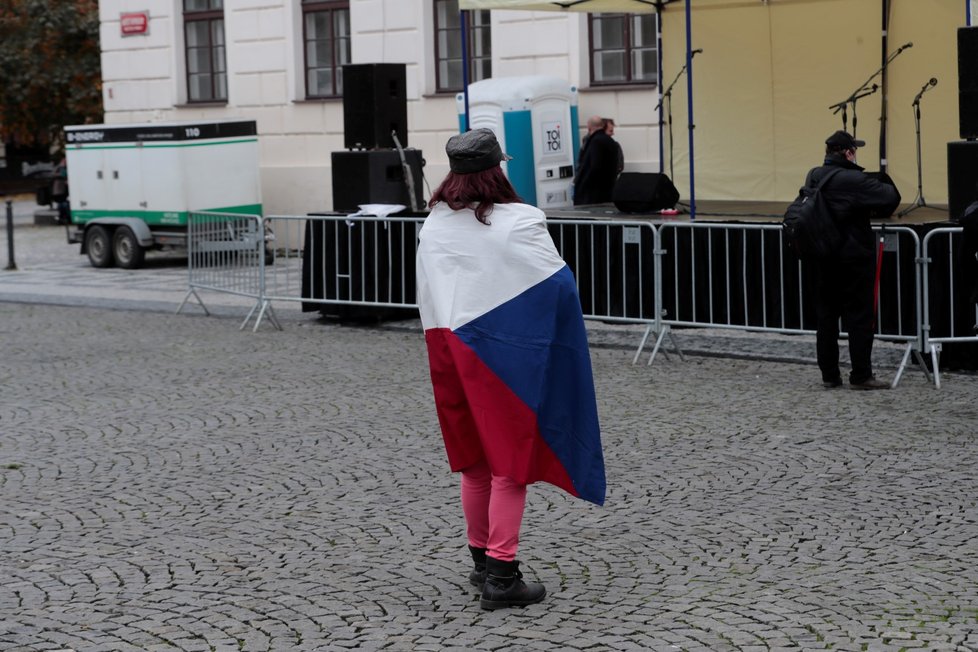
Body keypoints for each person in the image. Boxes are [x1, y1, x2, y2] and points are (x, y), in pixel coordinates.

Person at [416, 128, 606, 610]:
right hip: (503, 355)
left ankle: (481, 562)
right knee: (509, 466)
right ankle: (502, 576)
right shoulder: (521, 220)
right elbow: (559, 286)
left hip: (449, 350)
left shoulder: (434, 223)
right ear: (497, 170)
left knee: (475, 462)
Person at [810, 130, 901, 390]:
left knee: (826, 316)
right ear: (848, 152)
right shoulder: (853, 178)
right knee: (859, 317)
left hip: (823, 254)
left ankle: (829, 375)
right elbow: (890, 196)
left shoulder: (815, 174)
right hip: (853, 257)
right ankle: (861, 375)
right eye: (854, 150)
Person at [573, 116, 621, 205]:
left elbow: (594, 167)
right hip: (607, 190)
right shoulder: (611, 142)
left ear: (589, 127)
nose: (613, 133)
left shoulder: (595, 142)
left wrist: (583, 184)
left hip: (593, 194)